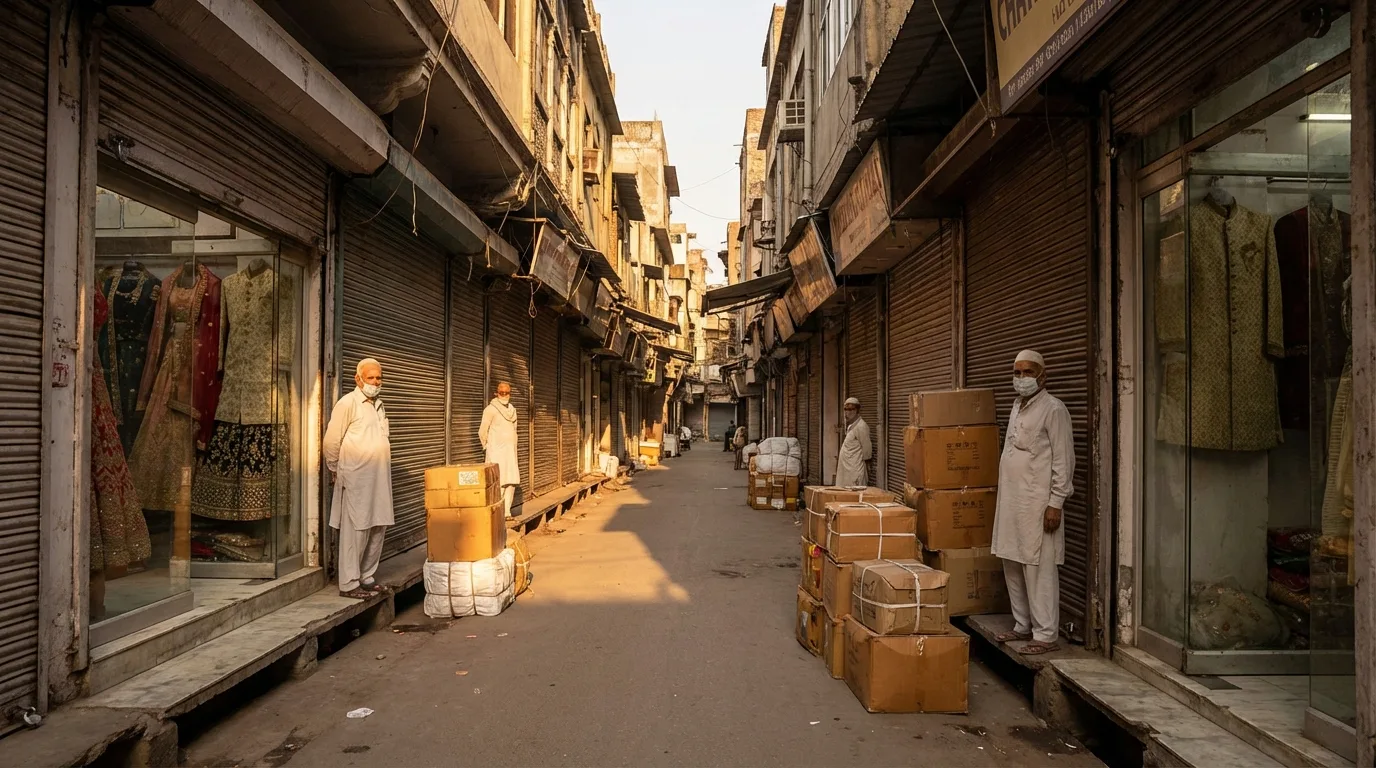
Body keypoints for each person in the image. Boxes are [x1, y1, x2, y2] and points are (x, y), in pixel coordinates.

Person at [990, 349, 1075, 656]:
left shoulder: (1054, 409)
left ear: (1042, 375)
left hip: (1037, 503)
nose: (1022, 378)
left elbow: (1064, 459)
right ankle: (1022, 624)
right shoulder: (1017, 406)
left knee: (1038, 566)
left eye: (1028, 372)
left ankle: (1045, 634)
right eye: (1017, 372)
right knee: (1011, 560)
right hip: (1013, 500)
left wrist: (1056, 502)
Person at [324, 358, 395, 599]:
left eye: (378, 378)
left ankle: (367, 576)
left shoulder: (379, 405)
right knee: (357, 528)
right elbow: (331, 441)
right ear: (358, 379)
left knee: (378, 525)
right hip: (357, 478)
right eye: (370, 377)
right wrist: (335, 468)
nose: (375, 382)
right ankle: (349, 583)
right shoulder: (348, 403)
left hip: (379, 479)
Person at [480, 381, 521, 518]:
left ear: (510, 393)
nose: (504, 395)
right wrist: (488, 447)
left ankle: (507, 511)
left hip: (510, 452)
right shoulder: (490, 409)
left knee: (511, 481)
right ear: (496, 393)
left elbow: (514, 430)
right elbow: (482, 431)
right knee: (499, 481)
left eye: (507, 393)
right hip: (496, 453)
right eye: (502, 392)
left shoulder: (513, 410)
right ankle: (497, 512)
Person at [834, 397, 872, 486]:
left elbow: (867, 450)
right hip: (846, 469)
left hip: (854, 470)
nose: (848, 412)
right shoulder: (851, 426)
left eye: (851, 409)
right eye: (846, 409)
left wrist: (866, 469)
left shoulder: (861, 426)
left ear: (857, 410)